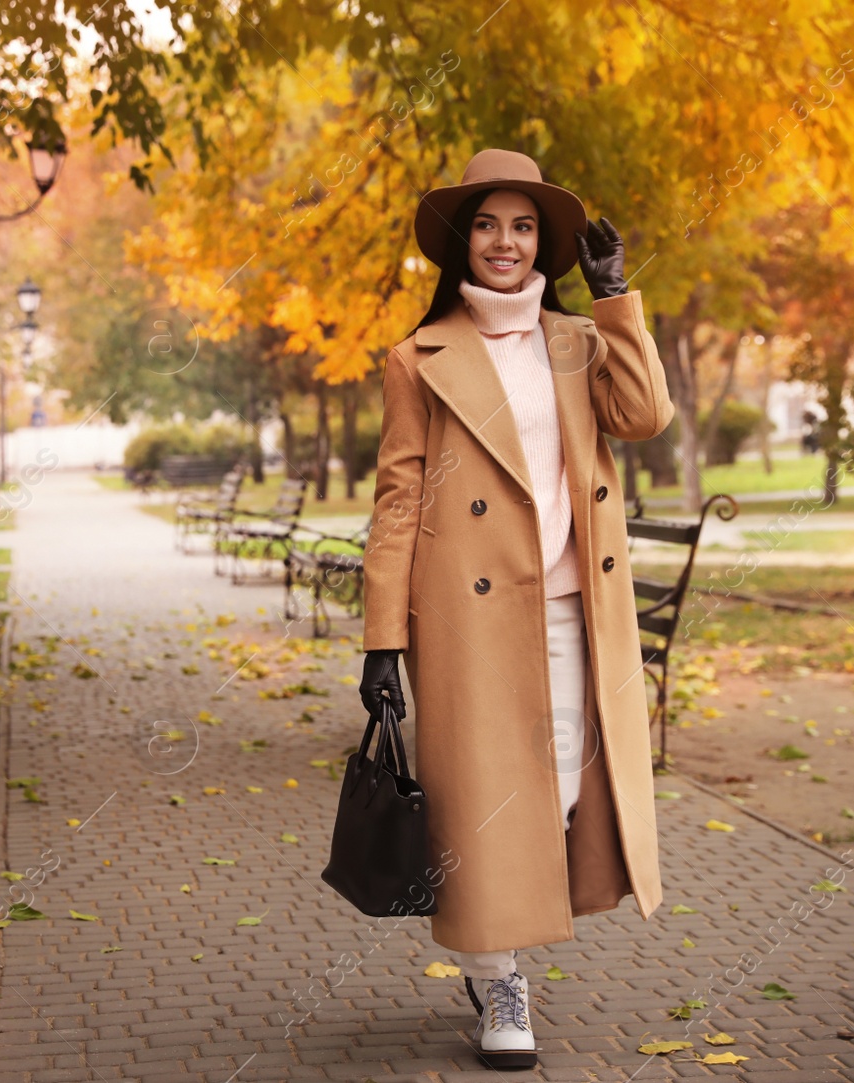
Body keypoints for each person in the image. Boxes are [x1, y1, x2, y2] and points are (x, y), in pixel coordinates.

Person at [358, 149, 676, 1070]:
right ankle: (501, 982)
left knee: (565, 792)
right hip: (465, 620)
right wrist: (383, 637)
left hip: (575, 608)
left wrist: (616, 296)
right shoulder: (418, 358)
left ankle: (498, 956)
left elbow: (646, 414)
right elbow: (400, 499)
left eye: (525, 225)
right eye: (491, 224)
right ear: (466, 239)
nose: (507, 241)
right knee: (483, 811)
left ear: (546, 242)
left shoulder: (576, 342)